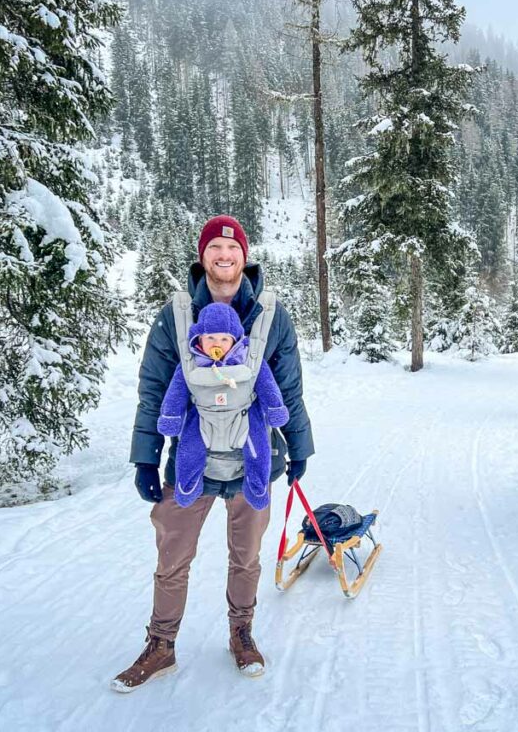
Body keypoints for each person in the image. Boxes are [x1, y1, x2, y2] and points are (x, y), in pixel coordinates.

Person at [112, 215, 314, 692]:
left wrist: (300, 446)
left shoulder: (270, 313)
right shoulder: (176, 315)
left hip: (253, 462)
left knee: (246, 557)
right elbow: (154, 389)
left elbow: (288, 387)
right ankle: (161, 645)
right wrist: (145, 455)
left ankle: (241, 633)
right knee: (172, 554)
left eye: (233, 248)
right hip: (189, 461)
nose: (224, 256)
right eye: (215, 249)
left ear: (245, 256)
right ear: (202, 257)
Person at [156, 301, 289, 509]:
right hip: (203, 416)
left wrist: (275, 408)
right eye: (210, 337)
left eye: (224, 338)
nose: (216, 343)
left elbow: (267, 384)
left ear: (235, 340)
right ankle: (187, 486)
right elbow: (176, 391)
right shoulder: (191, 363)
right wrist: (170, 416)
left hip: (243, 415)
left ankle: (257, 487)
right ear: (199, 338)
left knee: (258, 447)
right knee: (189, 448)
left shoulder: (249, 361)